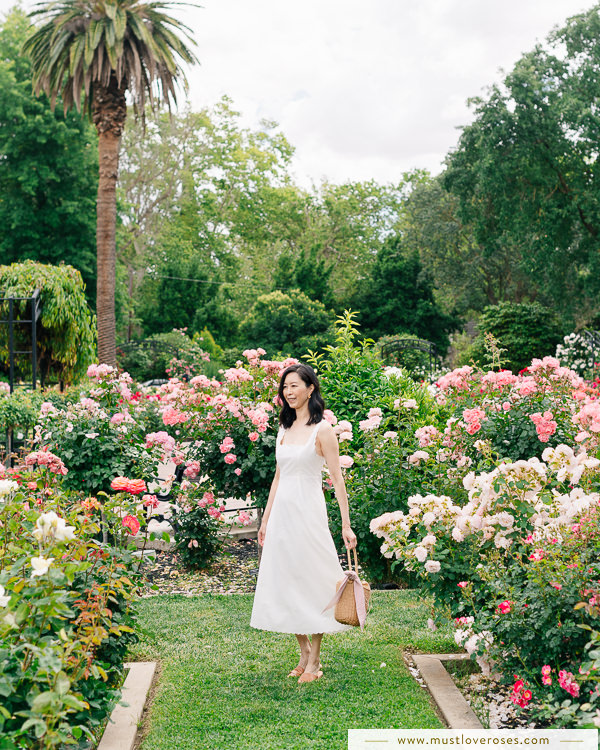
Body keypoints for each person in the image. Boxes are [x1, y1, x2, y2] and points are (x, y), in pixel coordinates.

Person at [250, 363, 357, 684]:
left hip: (309, 515)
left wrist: (346, 526)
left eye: (295, 386)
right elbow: (278, 477)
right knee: (285, 580)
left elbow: (337, 479)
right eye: (285, 387)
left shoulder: (322, 430)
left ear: (310, 388)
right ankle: (303, 651)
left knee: (314, 580)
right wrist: (266, 519)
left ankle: (316, 658)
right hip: (282, 515)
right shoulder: (282, 430)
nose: (289, 392)